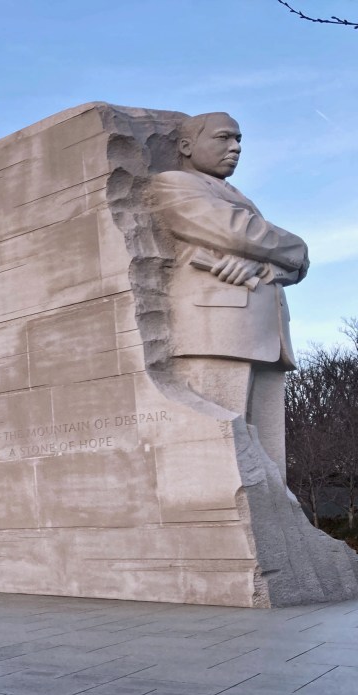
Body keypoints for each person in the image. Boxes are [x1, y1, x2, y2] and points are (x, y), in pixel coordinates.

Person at [151, 112, 309, 476]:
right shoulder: (174, 183)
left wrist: (264, 264)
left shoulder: (236, 195)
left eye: (238, 140)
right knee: (222, 457)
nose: (235, 148)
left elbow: (292, 262)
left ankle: (274, 512)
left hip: (267, 335)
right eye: (224, 138)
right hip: (217, 330)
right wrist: (294, 246)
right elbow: (238, 232)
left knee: (269, 461)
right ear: (186, 146)